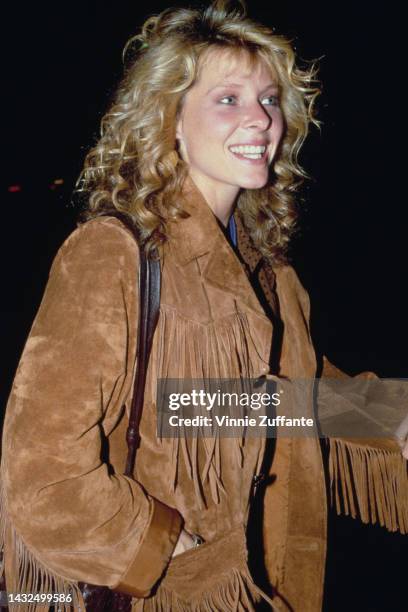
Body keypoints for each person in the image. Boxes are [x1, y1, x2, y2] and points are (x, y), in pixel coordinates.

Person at [1, 1, 407, 611]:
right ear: (169, 121)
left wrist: (392, 417)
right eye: (228, 99)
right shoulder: (111, 254)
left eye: (269, 100)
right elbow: (43, 477)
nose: (260, 120)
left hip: (272, 579)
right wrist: (175, 551)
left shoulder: (272, 272)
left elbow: (255, 400)